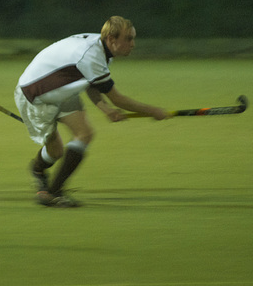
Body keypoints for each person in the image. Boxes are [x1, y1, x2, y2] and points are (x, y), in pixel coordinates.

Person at [14, 16, 171, 208]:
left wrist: (104, 108)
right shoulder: (92, 56)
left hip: (61, 91)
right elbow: (117, 98)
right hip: (36, 96)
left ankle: (54, 192)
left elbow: (90, 81)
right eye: (128, 39)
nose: (133, 44)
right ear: (112, 39)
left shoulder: (102, 49)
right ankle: (38, 170)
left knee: (85, 134)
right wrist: (153, 111)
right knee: (55, 151)